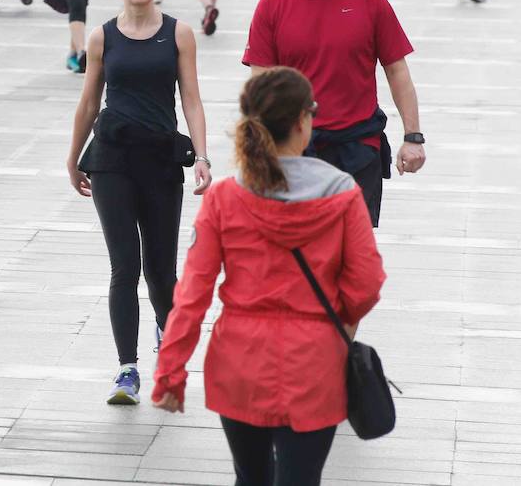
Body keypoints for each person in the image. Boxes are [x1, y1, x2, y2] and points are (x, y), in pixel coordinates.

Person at [152, 67, 386, 485]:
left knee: (250, 478)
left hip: (240, 363)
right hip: (314, 364)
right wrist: (339, 318)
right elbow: (366, 282)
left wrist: (171, 370)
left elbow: (192, 292)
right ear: (302, 121)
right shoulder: (343, 191)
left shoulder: (225, 197)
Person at [66, 0, 211, 404]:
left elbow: (190, 97)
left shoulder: (179, 34)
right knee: (124, 266)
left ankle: (167, 358)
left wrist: (203, 157)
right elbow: (89, 101)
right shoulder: (102, 36)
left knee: (161, 273)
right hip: (111, 159)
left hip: (161, 160)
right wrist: (73, 155)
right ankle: (127, 369)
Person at [243, 0, 426, 227]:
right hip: (294, 152)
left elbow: (397, 71)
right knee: (299, 254)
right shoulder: (272, 6)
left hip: (358, 147)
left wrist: (413, 137)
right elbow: (260, 85)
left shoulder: (370, 1)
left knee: (351, 256)